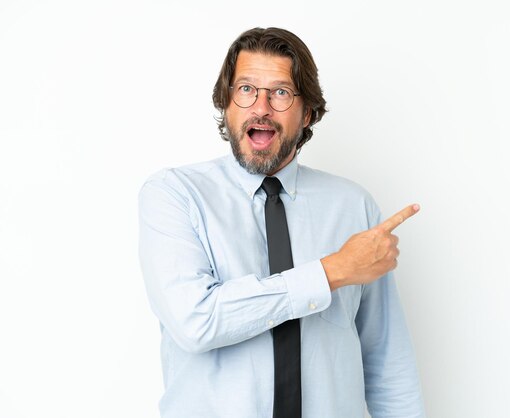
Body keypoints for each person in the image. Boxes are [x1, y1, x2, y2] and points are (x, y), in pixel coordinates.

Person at [138, 27, 425, 418]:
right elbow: (195, 321)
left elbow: (386, 360)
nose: (261, 107)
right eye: (245, 89)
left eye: (280, 93)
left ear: (307, 113)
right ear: (227, 104)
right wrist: (331, 272)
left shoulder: (354, 206)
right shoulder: (175, 195)